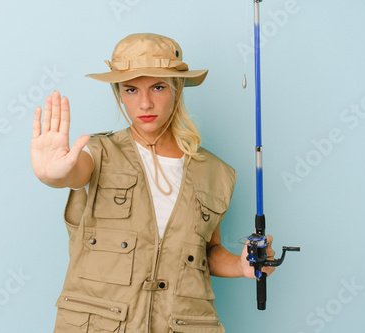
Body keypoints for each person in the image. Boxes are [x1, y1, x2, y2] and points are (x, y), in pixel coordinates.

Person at [31, 33, 276, 333]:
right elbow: (76, 172)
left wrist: (240, 266)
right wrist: (54, 175)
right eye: (131, 89)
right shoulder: (99, 153)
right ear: (118, 92)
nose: (145, 103)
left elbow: (206, 252)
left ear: (177, 88)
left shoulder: (215, 172)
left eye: (158, 87)